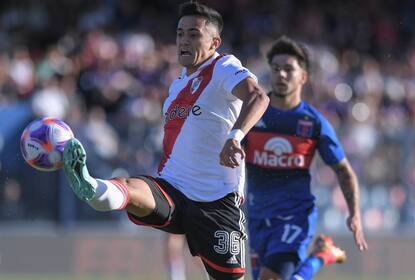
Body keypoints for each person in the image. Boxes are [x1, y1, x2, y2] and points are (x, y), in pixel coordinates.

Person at [62, 2, 269, 280]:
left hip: (215, 201)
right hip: (173, 187)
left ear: (214, 42)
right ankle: (89, 184)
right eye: (180, 33)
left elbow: (259, 97)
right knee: (128, 187)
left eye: (194, 34)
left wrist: (235, 136)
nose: (184, 40)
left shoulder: (223, 66)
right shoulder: (177, 85)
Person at [243, 36, 368, 280]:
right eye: (276, 68)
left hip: (294, 217)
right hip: (257, 217)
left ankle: (320, 256)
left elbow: (343, 170)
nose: (281, 74)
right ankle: (321, 256)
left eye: (288, 69)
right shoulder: (252, 113)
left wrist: (355, 214)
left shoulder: (312, 123)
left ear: (303, 77)